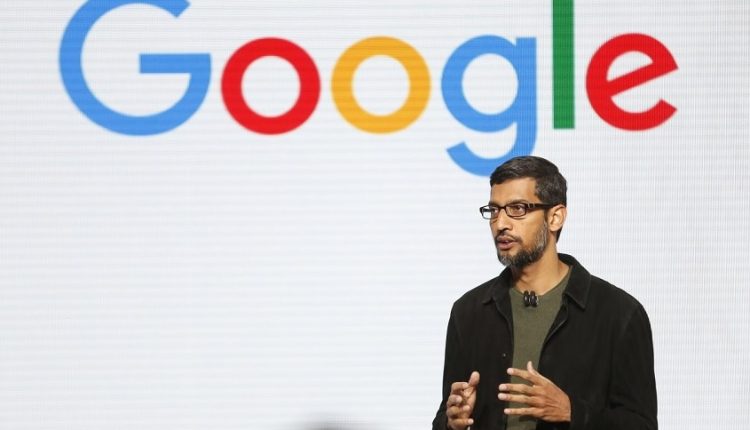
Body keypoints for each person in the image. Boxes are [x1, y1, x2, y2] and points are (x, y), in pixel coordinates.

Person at [432, 156, 657, 430]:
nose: (500, 223)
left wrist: (572, 412)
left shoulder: (618, 314)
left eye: (517, 209)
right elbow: (444, 417)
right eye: (494, 210)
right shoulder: (469, 312)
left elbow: (641, 424)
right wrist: (451, 422)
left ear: (555, 217)